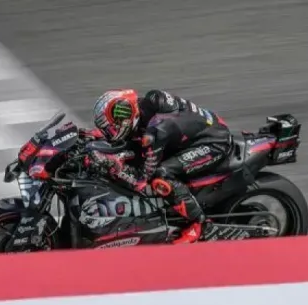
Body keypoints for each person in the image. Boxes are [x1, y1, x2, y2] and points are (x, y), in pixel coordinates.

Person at [81, 89, 233, 243]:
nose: (112, 133)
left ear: (125, 117)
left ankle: (200, 224)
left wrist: (114, 167)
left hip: (214, 142)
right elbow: (126, 138)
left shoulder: (155, 131)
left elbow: (142, 180)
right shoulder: (143, 108)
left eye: (113, 128)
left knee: (161, 175)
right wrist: (91, 136)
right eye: (107, 130)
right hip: (199, 132)